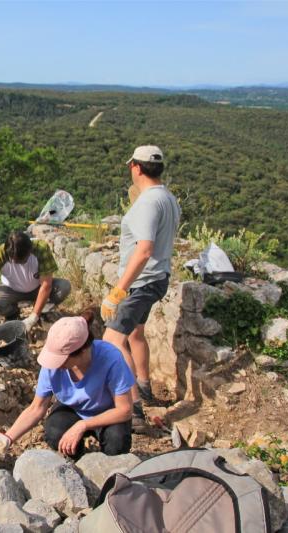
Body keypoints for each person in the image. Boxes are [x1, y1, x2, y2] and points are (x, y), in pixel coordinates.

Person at [101, 145, 180, 430]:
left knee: (112, 341)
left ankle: (134, 409)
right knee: (135, 333)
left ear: (136, 167)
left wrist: (118, 291)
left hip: (142, 283)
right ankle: (144, 386)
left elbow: (144, 250)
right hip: (157, 278)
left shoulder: (148, 202)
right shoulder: (168, 198)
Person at [0, 313, 134, 459]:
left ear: (83, 350)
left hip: (107, 413)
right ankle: (78, 461)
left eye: (62, 360)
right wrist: (6, 438)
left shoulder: (111, 358)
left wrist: (83, 425)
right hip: (73, 409)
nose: (56, 366)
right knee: (54, 432)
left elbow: (124, 410)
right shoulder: (52, 366)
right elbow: (36, 408)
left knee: (117, 442)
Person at [0, 230, 71, 331]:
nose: (19, 263)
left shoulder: (41, 249)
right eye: (15, 260)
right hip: (12, 290)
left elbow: (46, 285)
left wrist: (33, 318)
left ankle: (42, 311)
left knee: (64, 287)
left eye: (22, 260)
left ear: (30, 250)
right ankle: (12, 313)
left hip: (38, 288)